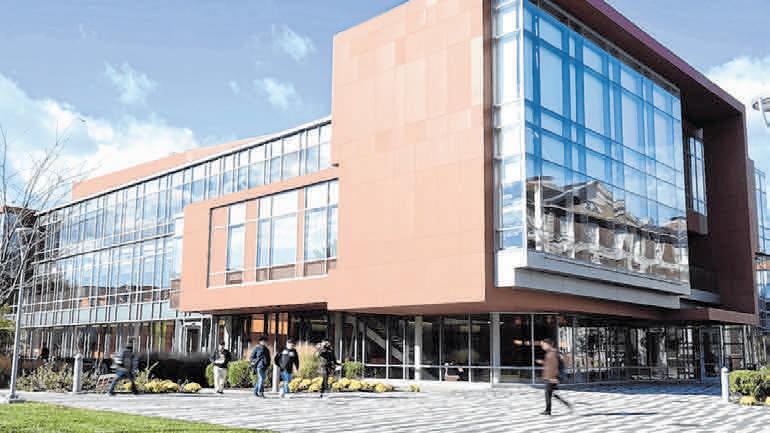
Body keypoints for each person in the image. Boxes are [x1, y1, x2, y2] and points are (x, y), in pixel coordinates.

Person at [540, 338, 572, 416]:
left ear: (549, 344)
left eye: (544, 345)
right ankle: (565, 404)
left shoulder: (553, 353)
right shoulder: (550, 353)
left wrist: (554, 378)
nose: (542, 346)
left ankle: (548, 410)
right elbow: (549, 365)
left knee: (548, 393)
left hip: (552, 378)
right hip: (551, 377)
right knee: (551, 393)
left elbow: (555, 366)